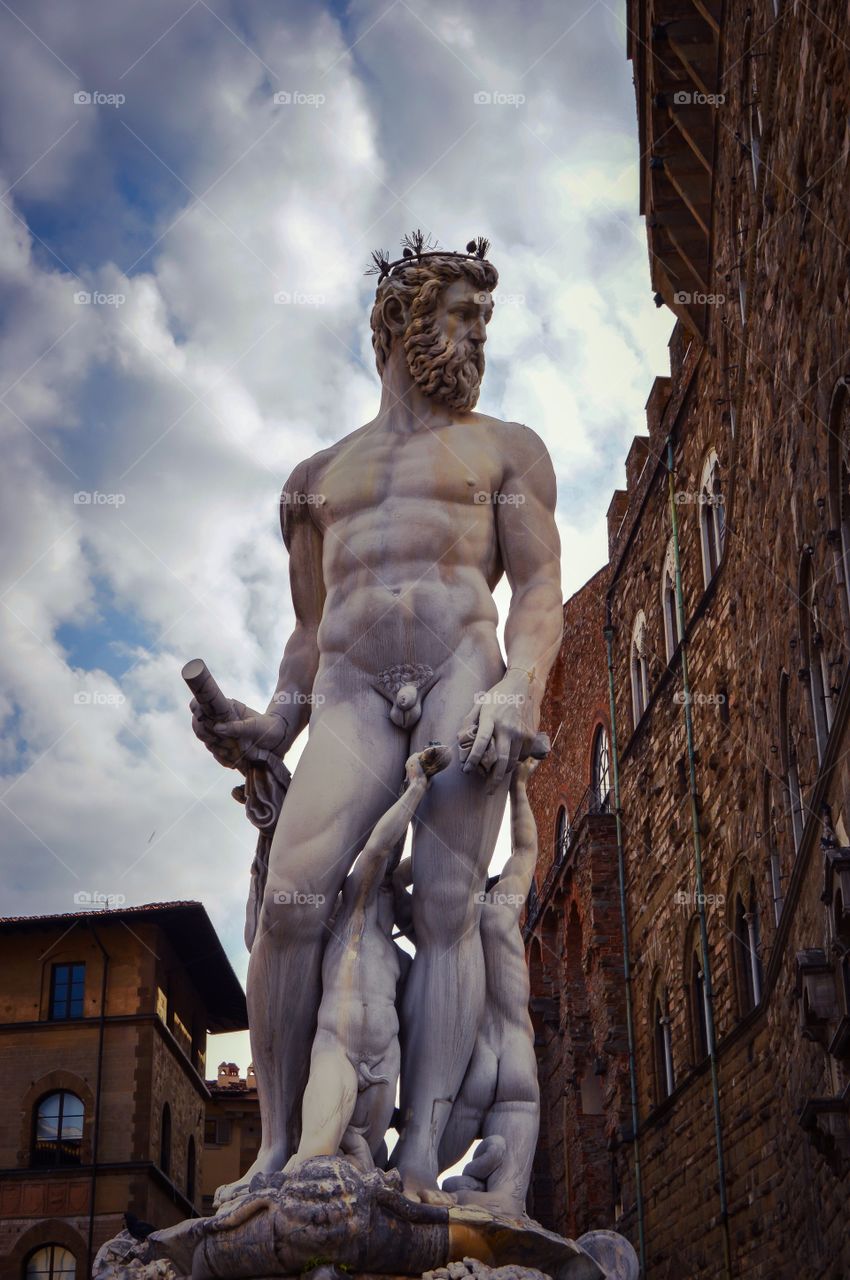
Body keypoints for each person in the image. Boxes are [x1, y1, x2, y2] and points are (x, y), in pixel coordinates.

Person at [190, 238, 563, 1204]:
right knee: (291, 903)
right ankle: (279, 1149)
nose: (480, 337)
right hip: (351, 690)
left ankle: (418, 1161)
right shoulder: (314, 479)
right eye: (464, 316)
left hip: (462, 674)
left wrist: (522, 684)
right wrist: (271, 726)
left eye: (485, 321)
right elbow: (307, 633)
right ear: (403, 319)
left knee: (446, 909)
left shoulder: (509, 448)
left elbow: (537, 589)